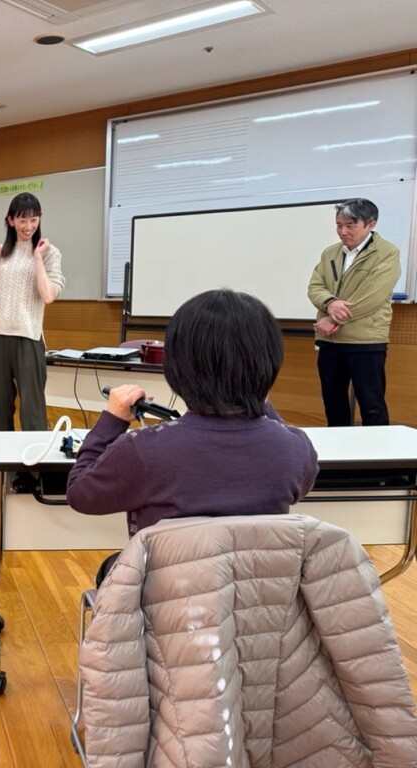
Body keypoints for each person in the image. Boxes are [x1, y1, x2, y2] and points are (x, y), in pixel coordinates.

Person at [66, 289, 319, 587]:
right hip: (258, 608)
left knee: (112, 568)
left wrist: (112, 419)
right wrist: (259, 400)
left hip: (167, 607)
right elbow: (300, 485)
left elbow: (81, 494)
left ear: (177, 367)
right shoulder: (295, 448)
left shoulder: (145, 449)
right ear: (269, 363)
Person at [0, 192, 65, 432]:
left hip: (28, 338)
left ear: (40, 219)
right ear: (10, 220)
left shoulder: (50, 253)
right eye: (22, 220)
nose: (28, 226)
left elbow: (48, 295)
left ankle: (35, 470)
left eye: (34, 220)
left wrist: (38, 259)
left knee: (32, 412)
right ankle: (4, 469)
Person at [307, 198, 400, 426]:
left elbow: (371, 297)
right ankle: (340, 459)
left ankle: (377, 460)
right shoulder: (330, 252)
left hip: (365, 342)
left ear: (371, 224)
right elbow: (315, 287)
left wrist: (332, 319)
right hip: (329, 342)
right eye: (339, 225)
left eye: (350, 225)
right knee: (333, 405)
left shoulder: (387, 253)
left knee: (372, 407)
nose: (343, 231)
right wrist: (329, 303)